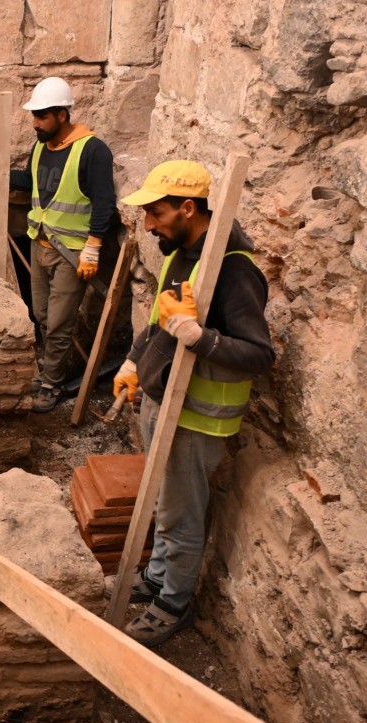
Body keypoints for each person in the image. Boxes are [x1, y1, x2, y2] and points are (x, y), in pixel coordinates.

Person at [111, 159, 274, 646]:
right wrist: (133, 362)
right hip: (163, 400)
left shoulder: (233, 270)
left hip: (198, 415)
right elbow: (161, 321)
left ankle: (172, 603)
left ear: (187, 207)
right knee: (166, 501)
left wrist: (199, 337)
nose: (149, 225)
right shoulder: (179, 253)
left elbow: (258, 354)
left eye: (156, 213)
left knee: (182, 512)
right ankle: (158, 576)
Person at [0, 77, 118, 414]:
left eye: (42, 116)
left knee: (61, 322)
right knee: (42, 315)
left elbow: (104, 202)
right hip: (41, 243)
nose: (35, 123)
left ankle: (52, 384)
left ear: (62, 115)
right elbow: (30, 181)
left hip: (72, 251)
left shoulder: (93, 150)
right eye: (34, 116)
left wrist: (93, 247)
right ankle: (53, 371)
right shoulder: (40, 147)